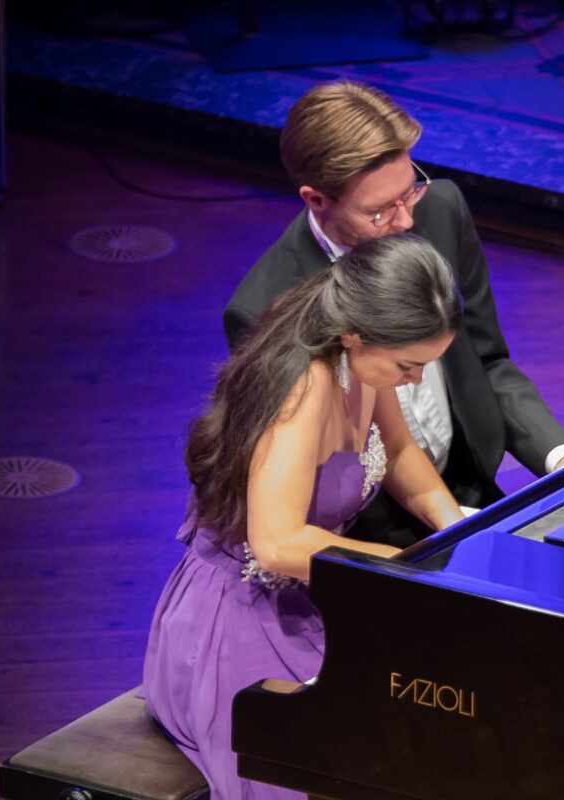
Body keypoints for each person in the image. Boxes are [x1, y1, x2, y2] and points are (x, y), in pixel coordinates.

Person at [144, 234, 466, 800]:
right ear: (354, 335)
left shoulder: (364, 362)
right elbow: (277, 544)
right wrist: (407, 567)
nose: (415, 382)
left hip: (315, 598)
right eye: (408, 367)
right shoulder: (302, 386)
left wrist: (454, 527)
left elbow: (396, 450)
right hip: (237, 617)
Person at [225, 80, 564, 548]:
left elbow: (487, 359)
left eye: (409, 191)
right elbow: (291, 506)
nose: (407, 222)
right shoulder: (264, 307)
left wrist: (562, 457)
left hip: (462, 490)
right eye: (379, 211)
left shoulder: (441, 209)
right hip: (363, 528)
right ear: (316, 199)